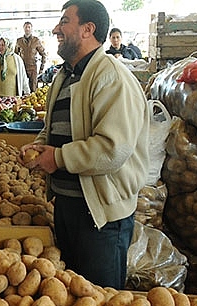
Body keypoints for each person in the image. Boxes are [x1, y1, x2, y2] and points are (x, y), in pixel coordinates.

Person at [19, 0, 149, 289]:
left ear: (88, 29)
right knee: (74, 302)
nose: (56, 29)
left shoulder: (110, 77)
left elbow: (112, 148)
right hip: (67, 207)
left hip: (100, 216)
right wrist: (40, 148)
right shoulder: (64, 76)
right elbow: (53, 130)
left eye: (65, 21)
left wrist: (59, 158)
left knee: (100, 304)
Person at [0, 36, 30, 103]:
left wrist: (27, 92)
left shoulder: (17, 59)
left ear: (8, 46)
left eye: (3, 45)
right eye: (0, 45)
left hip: (13, 98)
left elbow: (23, 77)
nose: (1, 47)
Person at [15, 21, 47, 92]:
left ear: (31, 29)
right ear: (23, 28)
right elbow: (15, 56)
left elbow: (44, 55)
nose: (27, 29)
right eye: (26, 27)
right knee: (21, 89)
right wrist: (16, 69)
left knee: (33, 89)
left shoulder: (36, 40)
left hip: (33, 68)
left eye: (29, 27)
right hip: (22, 68)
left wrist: (41, 69)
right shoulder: (19, 41)